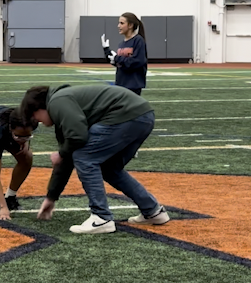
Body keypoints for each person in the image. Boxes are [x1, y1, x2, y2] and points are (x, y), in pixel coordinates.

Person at [19, 84, 169, 234]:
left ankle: (101, 217)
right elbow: (67, 158)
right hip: (142, 115)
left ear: (39, 108)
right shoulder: (63, 104)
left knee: (84, 157)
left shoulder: (57, 102)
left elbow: (77, 138)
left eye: (35, 117)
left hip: (126, 116)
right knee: (110, 169)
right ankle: (153, 211)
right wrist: (51, 197)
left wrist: (61, 153)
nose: (39, 123)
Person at [101, 12, 148, 95]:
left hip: (133, 85)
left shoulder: (138, 40)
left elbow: (137, 61)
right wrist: (107, 50)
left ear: (130, 25)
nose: (118, 26)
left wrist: (117, 58)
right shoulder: (121, 44)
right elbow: (120, 64)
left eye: (122, 23)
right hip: (121, 84)